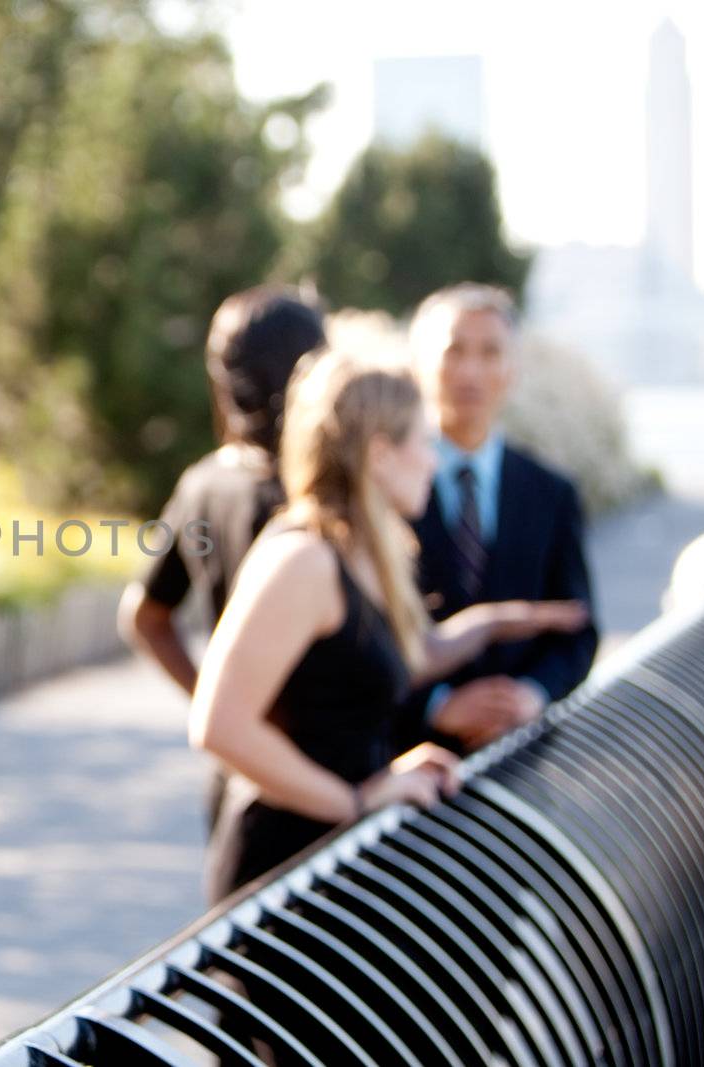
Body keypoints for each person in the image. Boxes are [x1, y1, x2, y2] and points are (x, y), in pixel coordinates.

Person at [189, 350, 588, 904]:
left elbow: (387, 664)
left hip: (335, 862)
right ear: (379, 453)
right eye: (423, 442)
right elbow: (219, 725)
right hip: (283, 876)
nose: (433, 460)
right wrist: (356, 799)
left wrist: (496, 624)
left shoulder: (364, 553)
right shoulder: (304, 559)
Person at [117, 286, 324, 830]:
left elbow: (144, 617)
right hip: (317, 779)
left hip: (238, 779)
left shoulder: (203, 482)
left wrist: (218, 701)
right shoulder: (312, 500)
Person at [401, 284, 599, 753]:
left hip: (523, 757)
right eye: (454, 351)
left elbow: (578, 628)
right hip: (409, 757)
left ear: (512, 369)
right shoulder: (383, 488)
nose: (471, 371)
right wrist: (435, 703)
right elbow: (358, 643)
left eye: (491, 352)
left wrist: (530, 695)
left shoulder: (552, 492)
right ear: (417, 363)